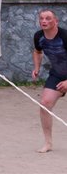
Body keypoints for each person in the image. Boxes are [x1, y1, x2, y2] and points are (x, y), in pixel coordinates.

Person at [31, 9, 67, 153]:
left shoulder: (64, 36)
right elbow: (37, 51)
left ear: (56, 21)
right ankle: (48, 143)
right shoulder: (39, 36)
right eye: (41, 18)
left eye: (48, 18)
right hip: (57, 75)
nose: (44, 21)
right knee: (45, 104)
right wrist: (37, 68)